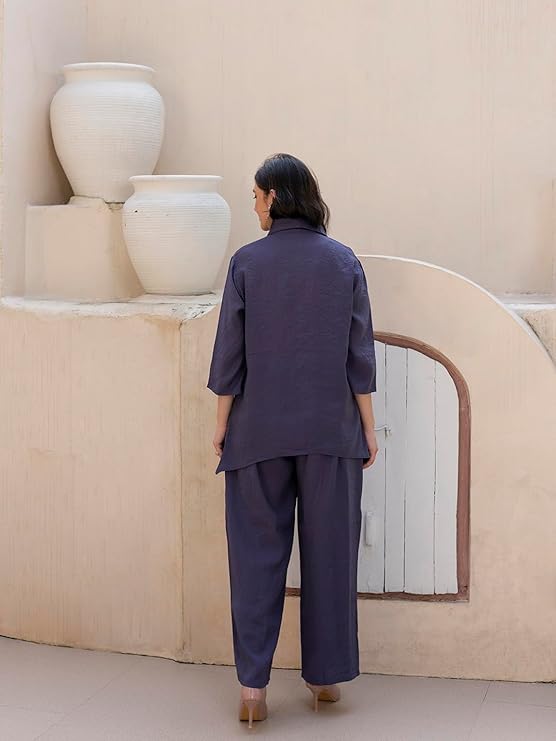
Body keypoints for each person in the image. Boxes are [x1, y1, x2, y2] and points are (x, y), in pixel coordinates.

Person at [206, 152, 379, 728]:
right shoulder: (343, 261)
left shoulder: (247, 263)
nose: (253, 207)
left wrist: (222, 422)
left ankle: (253, 690)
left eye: (256, 197)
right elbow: (359, 355)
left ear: (275, 196)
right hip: (331, 431)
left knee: (255, 557)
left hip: (258, 431)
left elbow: (229, 355)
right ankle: (324, 679)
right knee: (331, 554)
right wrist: (368, 427)